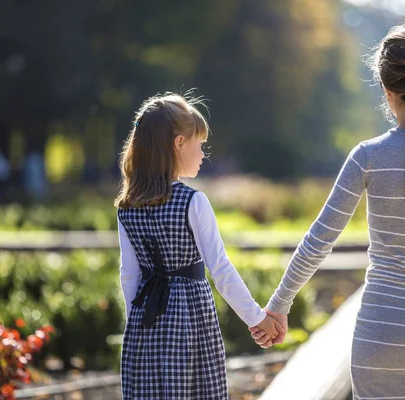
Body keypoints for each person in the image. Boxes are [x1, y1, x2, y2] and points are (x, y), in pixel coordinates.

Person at [250, 24, 405, 399]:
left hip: (380, 339)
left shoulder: (368, 157)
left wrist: (278, 305)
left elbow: (320, 238)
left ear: (387, 91)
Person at [115, 93, 282, 399]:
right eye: (199, 144)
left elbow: (129, 275)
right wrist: (258, 318)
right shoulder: (193, 201)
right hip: (188, 319)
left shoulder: (126, 207)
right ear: (178, 144)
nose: (203, 153)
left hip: (145, 319)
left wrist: (137, 327)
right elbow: (220, 270)